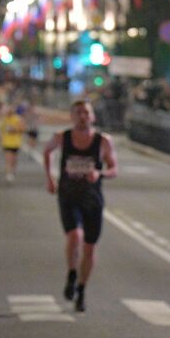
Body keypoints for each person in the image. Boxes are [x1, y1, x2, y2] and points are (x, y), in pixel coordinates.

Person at [43, 100, 119, 312]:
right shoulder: (62, 137)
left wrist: (100, 173)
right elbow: (47, 151)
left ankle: (82, 289)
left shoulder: (103, 141)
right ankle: (71, 273)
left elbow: (114, 168)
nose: (82, 116)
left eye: (86, 112)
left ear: (92, 116)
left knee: (89, 247)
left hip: (92, 198)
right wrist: (50, 178)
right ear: (72, 116)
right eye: (78, 113)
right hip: (68, 195)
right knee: (74, 236)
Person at [0, 105, 26, 182]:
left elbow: (22, 129)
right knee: (8, 159)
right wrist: (1, 138)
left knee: (14, 159)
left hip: (15, 142)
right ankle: (8, 173)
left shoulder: (18, 119)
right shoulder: (4, 120)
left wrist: (14, 130)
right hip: (7, 143)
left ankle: (13, 171)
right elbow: (1, 129)